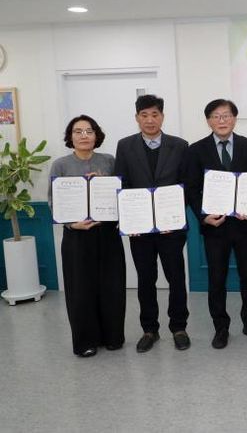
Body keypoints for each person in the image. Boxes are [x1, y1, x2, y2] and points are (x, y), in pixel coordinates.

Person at [185, 99, 247, 349]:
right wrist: (203, 216)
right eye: (216, 116)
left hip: (245, 226)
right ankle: (221, 328)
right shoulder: (196, 150)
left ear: (234, 118)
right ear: (208, 121)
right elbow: (192, 189)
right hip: (215, 228)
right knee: (216, 279)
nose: (222, 121)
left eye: (226, 115)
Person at [114, 94, 191, 353]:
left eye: (155, 114)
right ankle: (150, 329)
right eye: (144, 115)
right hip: (140, 230)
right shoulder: (125, 146)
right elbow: (122, 184)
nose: (150, 120)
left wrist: (174, 217)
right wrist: (130, 220)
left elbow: (186, 186)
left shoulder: (180, 145)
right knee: (146, 279)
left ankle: (179, 327)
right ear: (137, 118)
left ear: (162, 116)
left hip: (172, 229)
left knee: (176, 278)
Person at [49, 115, 126, 357]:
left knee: (112, 287)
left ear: (96, 135)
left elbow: (122, 194)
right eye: (78, 131)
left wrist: (106, 184)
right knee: (80, 290)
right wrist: (72, 224)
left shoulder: (109, 161)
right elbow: (53, 201)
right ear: (70, 137)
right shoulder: (60, 165)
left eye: (89, 131)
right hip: (77, 237)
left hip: (107, 234)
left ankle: (113, 337)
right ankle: (85, 342)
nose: (84, 135)